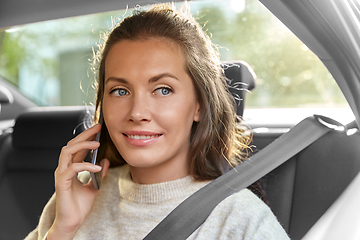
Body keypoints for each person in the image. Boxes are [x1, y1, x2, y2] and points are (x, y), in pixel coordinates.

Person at [26, 3, 289, 240]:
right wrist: (63, 229)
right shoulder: (77, 193)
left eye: (163, 90)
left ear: (199, 104)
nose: (137, 112)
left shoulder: (241, 221)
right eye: (120, 91)